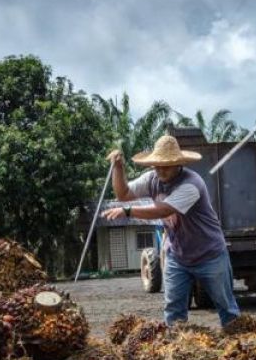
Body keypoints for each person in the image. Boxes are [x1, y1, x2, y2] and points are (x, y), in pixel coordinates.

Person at [102, 135, 241, 328]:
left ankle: (240, 344)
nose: (160, 169)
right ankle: (175, 351)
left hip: (210, 255)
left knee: (227, 308)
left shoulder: (192, 184)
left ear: (178, 164)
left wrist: (128, 211)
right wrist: (118, 167)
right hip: (178, 256)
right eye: (157, 165)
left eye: (166, 165)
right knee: (173, 311)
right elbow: (123, 194)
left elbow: (163, 210)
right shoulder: (152, 178)